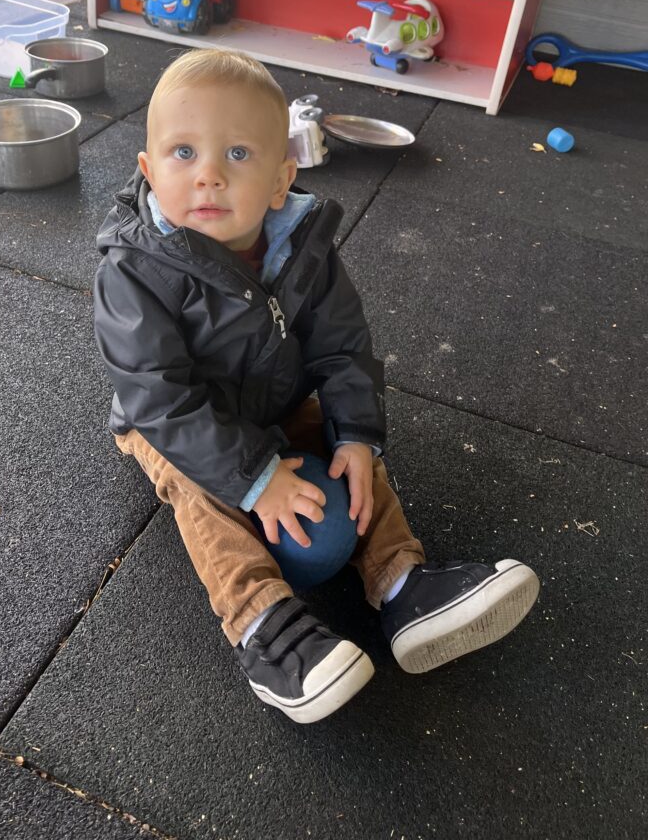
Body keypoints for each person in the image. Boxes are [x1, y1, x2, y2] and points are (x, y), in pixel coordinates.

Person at [93, 48, 539, 724]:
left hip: (272, 397)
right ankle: (264, 628)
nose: (208, 174)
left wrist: (357, 435)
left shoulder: (302, 248)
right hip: (172, 422)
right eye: (183, 153)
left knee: (352, 455)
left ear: (281, 180)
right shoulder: (133, 271)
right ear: (149, 172)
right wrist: (256, 478)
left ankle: (403, 585)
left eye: (237, 154)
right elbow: (160, 398)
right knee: (199, 487)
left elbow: (342, 349)